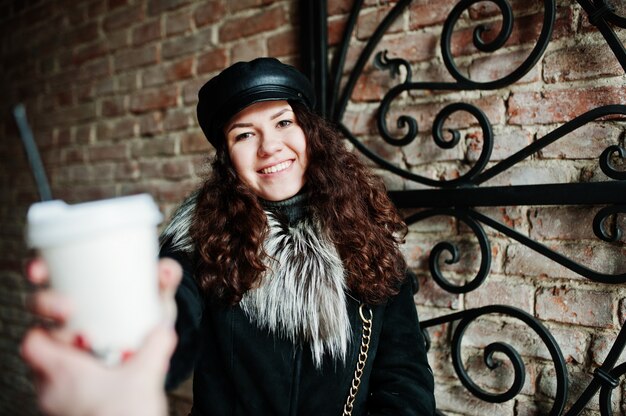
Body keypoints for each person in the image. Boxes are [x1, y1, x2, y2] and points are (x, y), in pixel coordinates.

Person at [160, 57, 435, 415]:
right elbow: (170, 305)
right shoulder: (201, 240)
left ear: (309, 132)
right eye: (244, 134)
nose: (269, 146)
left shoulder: (368, 236)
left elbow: (406, 381)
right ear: (227, 157)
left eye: (283, 123)